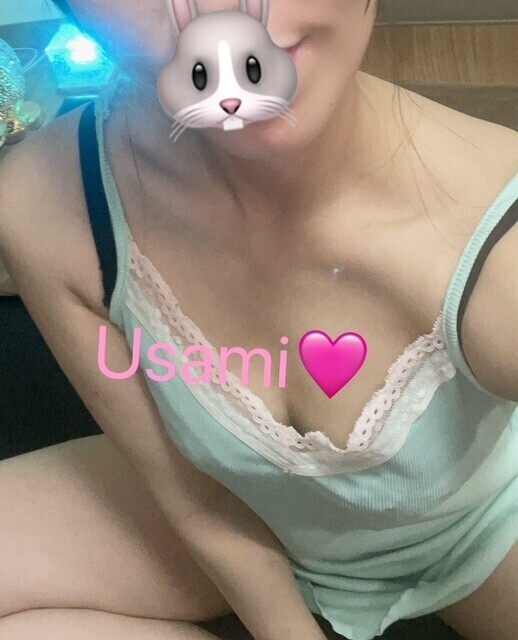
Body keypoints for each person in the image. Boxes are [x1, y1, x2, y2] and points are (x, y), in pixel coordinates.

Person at [0, 1, 517, 639]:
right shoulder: (50, 203)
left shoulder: (498, 248)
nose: (220, 12)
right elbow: (193, 497)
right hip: (242, 501)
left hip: (481, 535)